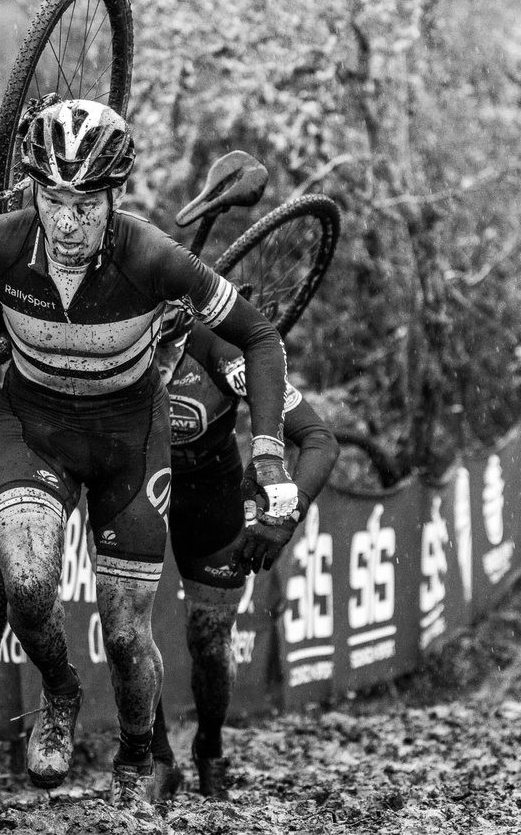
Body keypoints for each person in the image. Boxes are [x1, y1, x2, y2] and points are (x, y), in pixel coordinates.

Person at [0, 97, 300, 810]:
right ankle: (59, 688)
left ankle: (138, 753)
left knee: (124, 631)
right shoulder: (0, 241)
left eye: (87, 201)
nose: (69, 219)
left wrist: (268, 459)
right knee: (24, 584)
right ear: (36, 193)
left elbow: (261, 336)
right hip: (36, 427)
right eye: (54, 198)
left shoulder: (153, 256)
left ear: (116, 195)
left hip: (128, 442)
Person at [148, 307, 340, 800]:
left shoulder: (220, 353)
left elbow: (319, 440)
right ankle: (156, 757)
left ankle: (208, 747)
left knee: (209, 639)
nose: (161, 361)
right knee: (124, 622)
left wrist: (286, 514)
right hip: (133, 490)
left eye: (168, 345)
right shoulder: (103, 336)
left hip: (209, 496)